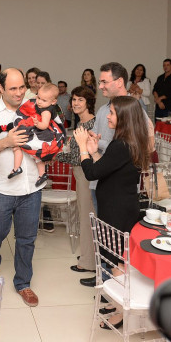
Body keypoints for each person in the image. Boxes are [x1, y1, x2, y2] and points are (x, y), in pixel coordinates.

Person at [74, 96, 150, 330]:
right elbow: (108, 170)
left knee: (117, 261)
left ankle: (121, 311)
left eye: (113, 112)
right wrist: (94, 152)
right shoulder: (129, 142)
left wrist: (82, 149)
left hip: (117, 210)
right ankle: (118, 304)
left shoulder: (121, 145)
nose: (107, 116)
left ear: (124, 117)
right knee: (117, 258)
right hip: (120, 206)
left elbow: (92, 173)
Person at [79, 61, 154, 288]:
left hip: (117, 198)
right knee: (109, 246)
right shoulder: (106, 111)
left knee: (114, 250)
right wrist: (95, 149)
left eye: (104, 81)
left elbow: (146, 144)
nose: (100, 86)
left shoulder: (132, 112)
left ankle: (114, 291)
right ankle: (107, 283)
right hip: (107, 187)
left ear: (119, 82)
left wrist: (84, 149)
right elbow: (106, 162)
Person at [0, 68, 43, 307]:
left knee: (27, 238)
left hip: (31, 187)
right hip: (1, 187)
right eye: (13, 88)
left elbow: (47, 137)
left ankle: (23, 283)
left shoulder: (35, 109)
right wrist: (6, 142)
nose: (19, 93)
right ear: (1, 88)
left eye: (22, 87)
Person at [56, 86, 97, 275]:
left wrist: (54, 155)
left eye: (81, 99)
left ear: (89, 102)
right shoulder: (82, 124)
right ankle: (89, 257)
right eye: (74, 99)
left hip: (86, 174)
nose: (76, 103)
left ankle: (88, 262)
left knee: (87, 217)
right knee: (86, 215)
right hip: (81, 173)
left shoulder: (92, 125)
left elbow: (79, 157)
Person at [7, 83, 66, 186]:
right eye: (38, 97)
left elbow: (44, 125)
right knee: (38, 156)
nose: (39, 101)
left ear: (53, 102)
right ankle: (42, 174)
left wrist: (37, 123)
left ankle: (17, 168)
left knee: (19, 146)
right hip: (42, 134)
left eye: (43, 100)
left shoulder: (46, 111)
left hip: (42, 134)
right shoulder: (44, 104)